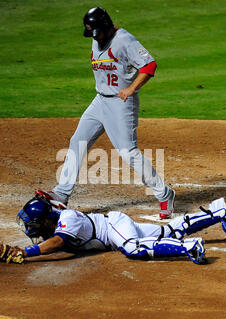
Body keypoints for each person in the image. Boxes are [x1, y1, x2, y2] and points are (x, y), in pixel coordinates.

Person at [36, 6, 175, 220]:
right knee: (78, 141)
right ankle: (62, 193)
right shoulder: (97, 38)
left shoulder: (124, 40)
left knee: (128, 152)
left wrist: (131, 89)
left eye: (97, 32)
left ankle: (164, 193)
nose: (95, 37)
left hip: (120, 103)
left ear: (107, 26)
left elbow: (149, 65)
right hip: (100, 100)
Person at [0, 196, 226, 265]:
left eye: (33, 223)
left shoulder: (67, 220)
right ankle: (218, 212)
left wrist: (26, 253)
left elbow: (56, 244)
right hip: (116, 228)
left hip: (114, 227)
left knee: (133, 249)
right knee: (168, 232)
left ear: (44, 221)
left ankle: (190, 247)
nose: (30, 227)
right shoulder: (54, 220)